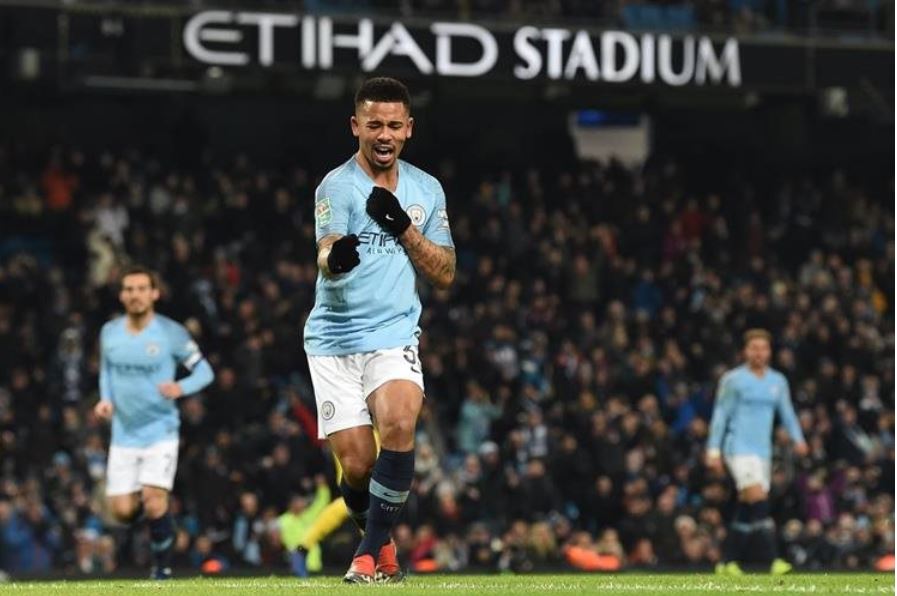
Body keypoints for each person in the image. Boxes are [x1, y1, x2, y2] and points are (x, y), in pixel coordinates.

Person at [303, 76, 455, 583]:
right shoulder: (337, 185)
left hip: (393, 334)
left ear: (409, 129)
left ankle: (366, 557)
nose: (384, 134)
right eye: (374, 124)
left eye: (394, 124)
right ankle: (383, 550)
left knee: (398, 422)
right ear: (356, 126)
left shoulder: (426, 190)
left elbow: (445, 272)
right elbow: (327, 253)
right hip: (334, 340)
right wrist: (339, 256)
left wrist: (404, 228)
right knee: (357, 466)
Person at [94, 266, 215, 579]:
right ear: (122, 295)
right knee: (122, 512)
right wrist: (105, 399)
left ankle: (161, 569)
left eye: (141, 289)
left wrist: (181, 387)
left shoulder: (172, 333)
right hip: (123, 434)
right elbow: (107, 371)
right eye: (129, 289)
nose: (135, 295)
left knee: (152, 499)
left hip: (161, 431)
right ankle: (159, 524)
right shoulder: (110, 333)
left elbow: (205, 372)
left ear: (154, 294)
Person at [705, 328, 808, 575]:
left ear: (769, 352)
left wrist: (798, 439)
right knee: (759, 499)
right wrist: (713, 450)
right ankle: (774, 560)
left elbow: (787, 412)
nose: (759, 353)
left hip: (763, 451)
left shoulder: (777, 381)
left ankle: (727, 562)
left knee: (748, 507)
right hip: (737, 448)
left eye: (763, 348)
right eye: (754, 348)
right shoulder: (733, 380)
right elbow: (721, 414)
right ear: (745, 351)